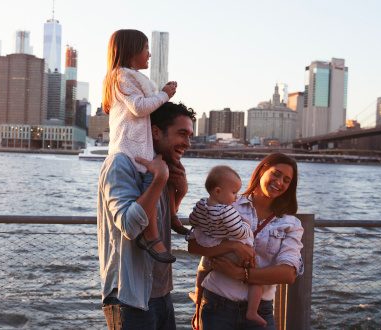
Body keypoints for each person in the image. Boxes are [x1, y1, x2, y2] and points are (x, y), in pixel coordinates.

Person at [97, 102, 195, 329]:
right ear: (156, 131)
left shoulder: (160, 166)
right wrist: (159, 180)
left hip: (161, 294)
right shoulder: (121, 163)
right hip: (129, 298)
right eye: (182, 134)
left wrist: (179, 193)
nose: (187, 143)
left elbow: (158, 220)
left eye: (190, 136)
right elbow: (129, 225)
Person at [188, 153, 304, 330]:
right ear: (263, 169)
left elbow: (288, 273)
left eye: (287, 180)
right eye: (276, 173)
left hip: (260, 311)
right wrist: (234, 246)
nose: (280, 182)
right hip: (216, 305)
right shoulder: (228, 203)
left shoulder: (290, 224)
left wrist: (241, 274)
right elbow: (194, 246)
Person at [102, 29, 186, 264]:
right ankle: (151, 237)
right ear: (131, 51)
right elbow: (139, 108)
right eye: (146, 49)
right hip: (131, 148)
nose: (149, 54)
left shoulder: (130, 77)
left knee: (169, 178)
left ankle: (171, 216)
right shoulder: (121, 76)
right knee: (153, 183)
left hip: (142, 147)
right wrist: (164, 94)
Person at [187, 165, 267, 327]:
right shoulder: (227, 211)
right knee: (257, 279)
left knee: (202, 271)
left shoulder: (201, 204)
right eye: (233, 193)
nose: (236, 197)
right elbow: (239, 233)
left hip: (212, 250)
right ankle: (252, 311)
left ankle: (198, 299)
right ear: (217, 191)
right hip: (233, 254)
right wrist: (245, 225)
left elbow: (192, 219)